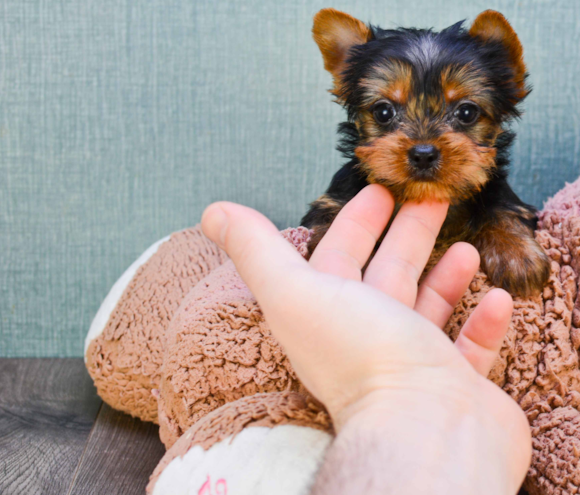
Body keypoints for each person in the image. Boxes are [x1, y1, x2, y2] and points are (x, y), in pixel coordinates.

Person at [200, 184, 532, 495]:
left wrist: (406, 403)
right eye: (387, 117)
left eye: (466, 118)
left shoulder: (495, 202)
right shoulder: (350, 196)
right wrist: (422, 410)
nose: (424, 149)